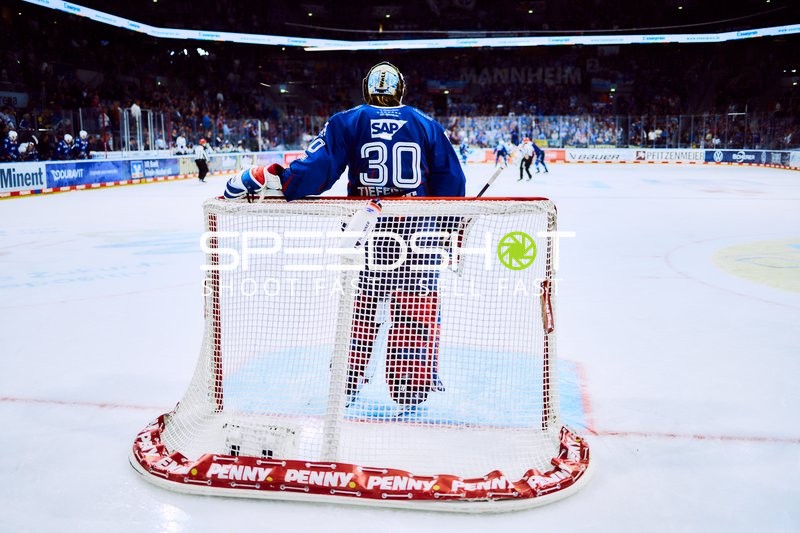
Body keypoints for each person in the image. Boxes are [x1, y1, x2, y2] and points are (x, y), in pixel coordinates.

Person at [224, 61, 466, 408]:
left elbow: (315, 172)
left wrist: (274, 176)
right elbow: (452, 185)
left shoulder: (347, 121)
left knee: (362, 310)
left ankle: (347, 383)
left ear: (367, 88)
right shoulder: (427, 125)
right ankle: (413, 389)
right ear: (402, 89)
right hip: (418, 238)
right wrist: (449, 229)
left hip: (366, 235)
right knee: (416, 310)